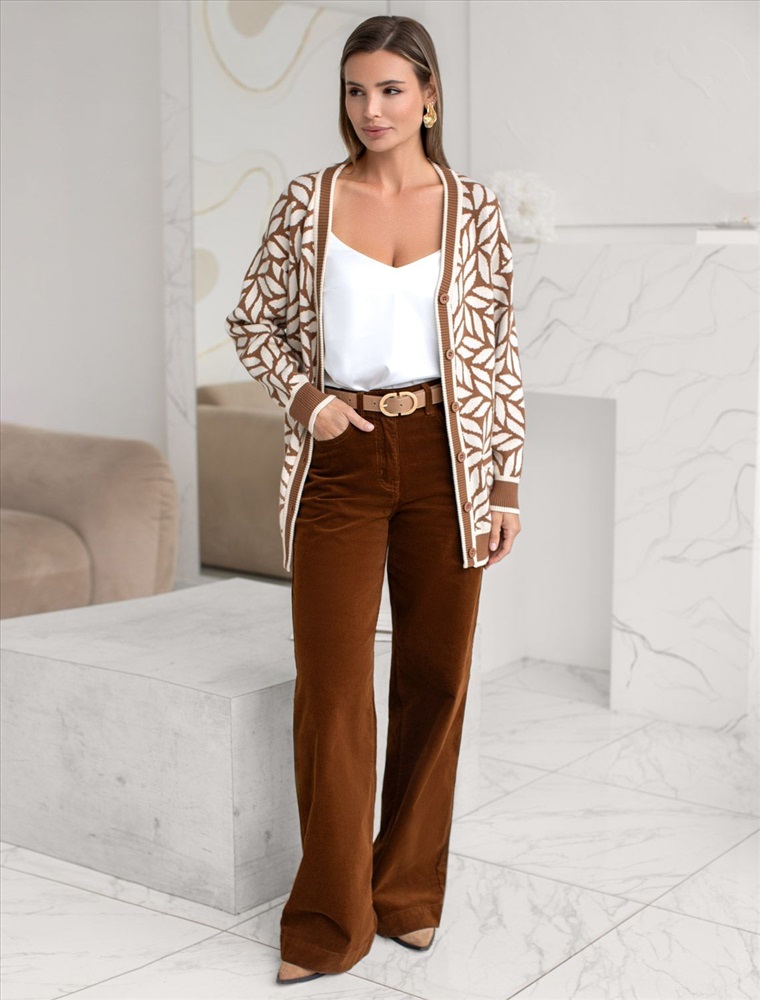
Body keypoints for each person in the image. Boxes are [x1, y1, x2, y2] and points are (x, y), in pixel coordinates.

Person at [225, 14, 525, 986]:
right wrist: (305, 401)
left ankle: (405, 895)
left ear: (429, 95)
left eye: (391, 89)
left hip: (448, 457)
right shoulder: (307, 202)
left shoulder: (475, 211)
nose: (371, 109)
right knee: (332, 688)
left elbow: (497, 348)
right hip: (341, 462)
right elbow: (253, 322)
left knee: (435, 680)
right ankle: (326, 921)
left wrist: (505, 481)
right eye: (356, 91)